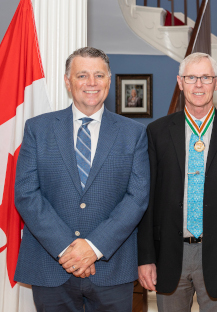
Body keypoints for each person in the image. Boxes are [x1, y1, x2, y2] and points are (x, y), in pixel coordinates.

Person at [13, 47, 150, 311]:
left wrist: (95, 247)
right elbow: (27, 194)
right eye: (82, 75)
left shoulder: (134, 134)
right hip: (51, 267)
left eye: (99, 76)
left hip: (111, 269)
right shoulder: (37, 129)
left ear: (109, 81)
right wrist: (67, 249)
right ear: (67, 81)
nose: (91, 83)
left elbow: (137, 198)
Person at [137, 52, 217, 311]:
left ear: (216, 82)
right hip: (169, 252)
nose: (198, 84)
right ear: (180, 82)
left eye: (206, 77)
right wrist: (146, 257)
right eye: (191, 77)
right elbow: (146, 200)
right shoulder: (157, 132)